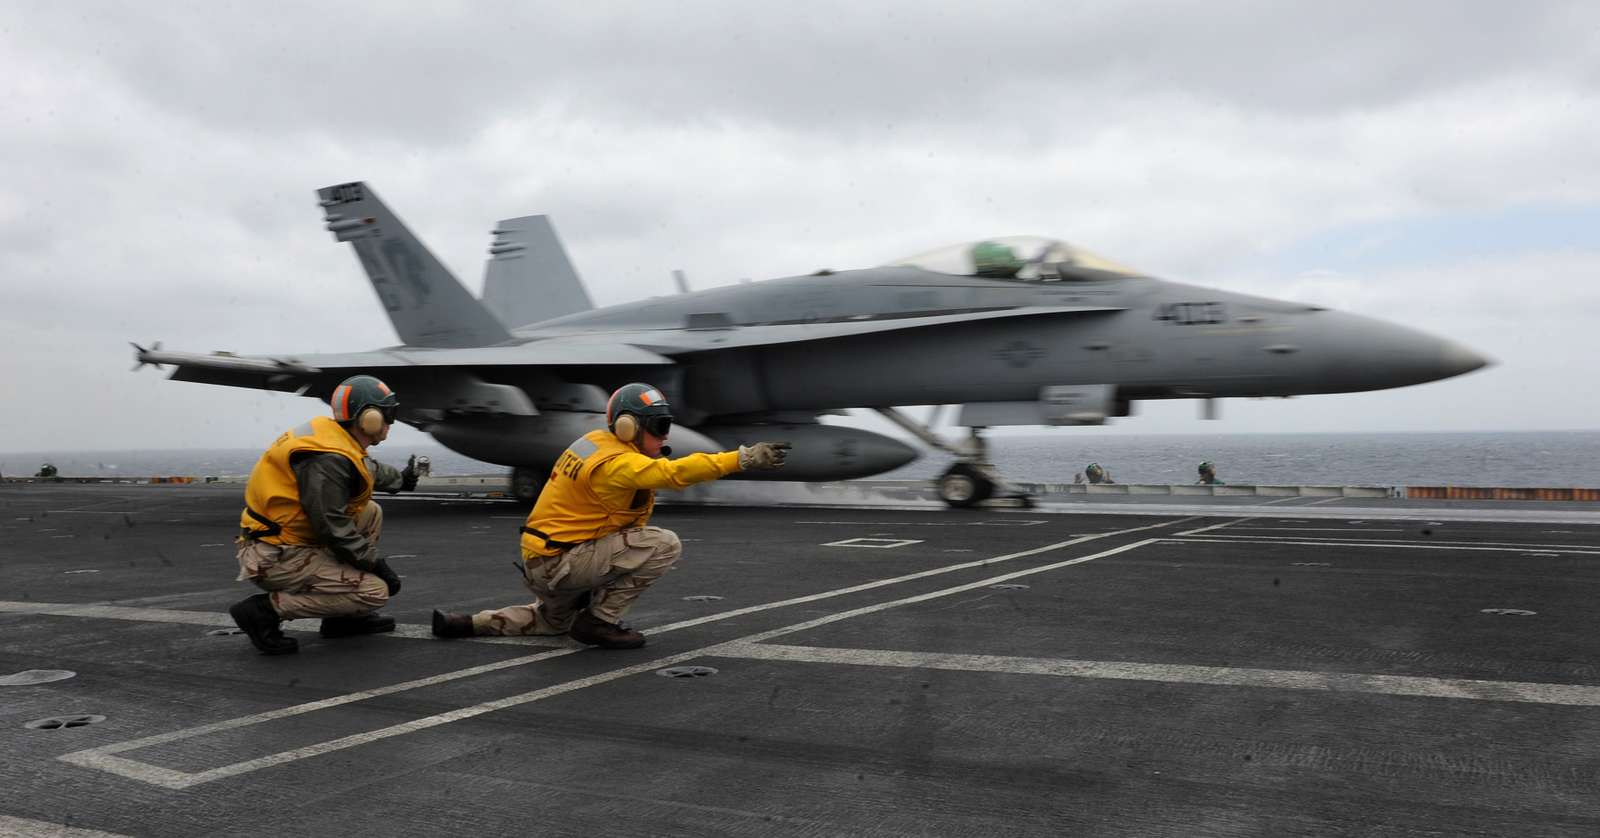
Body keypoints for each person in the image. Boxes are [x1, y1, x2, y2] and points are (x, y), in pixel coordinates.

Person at [431, 382, 791, 649]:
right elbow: (672, 475)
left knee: (550, 622)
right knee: (662, 544)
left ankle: (464, 624)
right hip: (563, 562)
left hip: (545, 560)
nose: (664, 435)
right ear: (628, 428)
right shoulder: (618, 462)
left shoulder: (595, 443)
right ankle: (599, 622)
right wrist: (741, 459)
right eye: (659, 426)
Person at [228, 374, 424, 655]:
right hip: (275, 556)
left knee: (370, 511)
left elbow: (367, 468)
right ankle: (264, 610)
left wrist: (401, 480)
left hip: (286, 541)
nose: (390, 422)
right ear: (368, 418)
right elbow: (331, 525)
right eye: (388, 414)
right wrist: (374, 564)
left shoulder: (335, 440)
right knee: (374, 592)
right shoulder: (328, 459)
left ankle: (344, 619)